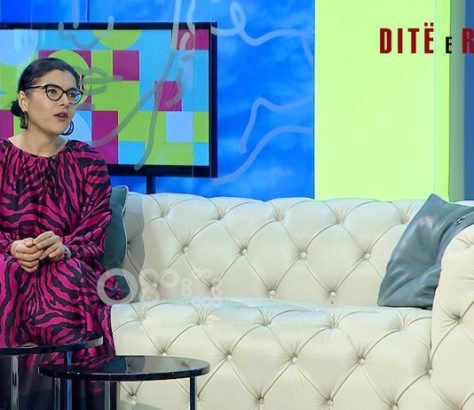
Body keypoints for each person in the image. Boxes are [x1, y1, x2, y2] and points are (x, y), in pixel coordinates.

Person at [0, 57, 120, 409]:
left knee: (62, 276)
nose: (65, 102)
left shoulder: (88, 161)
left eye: (72, 94)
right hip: (8, 262)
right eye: (53, 91)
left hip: (70, 265)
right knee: (6, 272)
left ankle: (62, 401)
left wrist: (64, 246)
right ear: (24, 100)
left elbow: (95, 230)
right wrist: (12, 247)